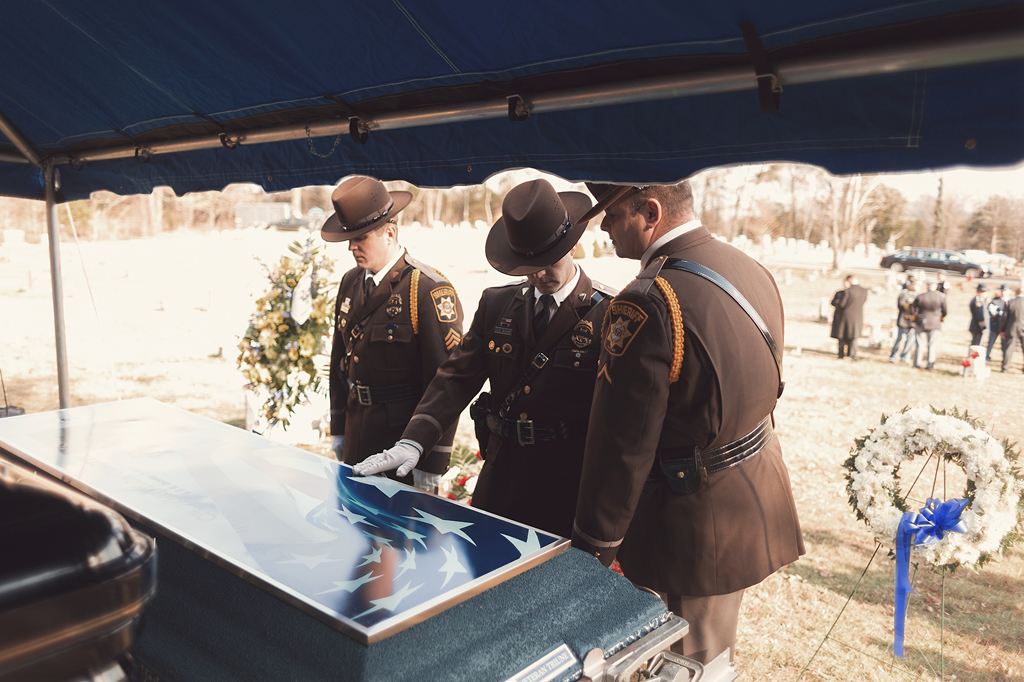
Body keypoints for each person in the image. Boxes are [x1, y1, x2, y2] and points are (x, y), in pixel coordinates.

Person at [570, 181, 804, 665]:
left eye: (612, 214)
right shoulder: (747, 266)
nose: (604, 226)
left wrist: (592, 547)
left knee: (679, 663)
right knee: (714, 656)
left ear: (650, 211)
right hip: (750, 492)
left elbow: (623, 446)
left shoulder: (646, 298)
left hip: (688, 525)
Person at [352, 179, 615, 538]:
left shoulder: (608, 313)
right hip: (502, 480)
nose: (538, 275)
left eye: (547, 261)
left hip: (566, 484)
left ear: (574, 245)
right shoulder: (498, 304)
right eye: (527, 264)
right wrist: (414, 441)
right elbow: (455, 377)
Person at [321, 176, 464, 492]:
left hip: (404, 445)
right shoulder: (350, 282)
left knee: (401, 539)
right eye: (349, 237)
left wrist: (432, 459)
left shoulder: (427, 289)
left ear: (390, 232)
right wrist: (339, 429)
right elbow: (338, 364)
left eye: (361, 237)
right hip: (358, 430)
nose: (351, 246)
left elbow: (446, 383)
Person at [910, 281, 947, 370]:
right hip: (934, 322)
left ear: (927, 286)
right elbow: (945, 311)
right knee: (932, 344)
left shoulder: (920, 296)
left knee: (920, 343)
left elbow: (912, 308)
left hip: (921, 321)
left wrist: (916, 317)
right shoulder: (940, 297)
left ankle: (917, 363)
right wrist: (940, 318)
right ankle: (930, 364)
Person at [830, 275, 868, 360]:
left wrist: (837, 303)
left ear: (849, 280)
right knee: (853, 336)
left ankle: (841, 354)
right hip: (857, 316)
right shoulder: (864, 291)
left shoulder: (847, 291)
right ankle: (852, 354)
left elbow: (842, 304)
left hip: (845, 317)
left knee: (842, 335)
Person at [889, 280, 917, 363]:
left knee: (910, 341)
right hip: (904, 320)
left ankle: (905, 357)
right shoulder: (904, 293)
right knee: (900, 339)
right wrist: (910, 304)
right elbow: (901, 305)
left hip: (913, 321)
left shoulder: (917, 295)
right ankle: (894, 356)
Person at [1001, 286, 1024, 373]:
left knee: (1008, 349)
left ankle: (1005, 368)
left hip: (1011, 328)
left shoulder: (1011, 302)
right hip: (1021, 328)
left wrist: (1002, 330)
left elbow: (1005, 318)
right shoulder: (1010, 302)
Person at [985, 284, 1008, 362]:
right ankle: (987, 355)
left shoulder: (1010, 301)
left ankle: (1004, 359)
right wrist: (1002, 313)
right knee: (991, 342)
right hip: (995, 325)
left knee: (1004, 345)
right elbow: (992, 312)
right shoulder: (995, 300)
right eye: (1002, 291)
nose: (1003, 292)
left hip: (1005, 326)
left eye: (1005, 291)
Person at [968, 283, 989, 347]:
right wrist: (983, 326)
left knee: (977, 344)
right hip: (977, 327)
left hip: (977, 327)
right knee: (976, 345)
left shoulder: (980, 300)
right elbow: (979, 315)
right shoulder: (978, 301)